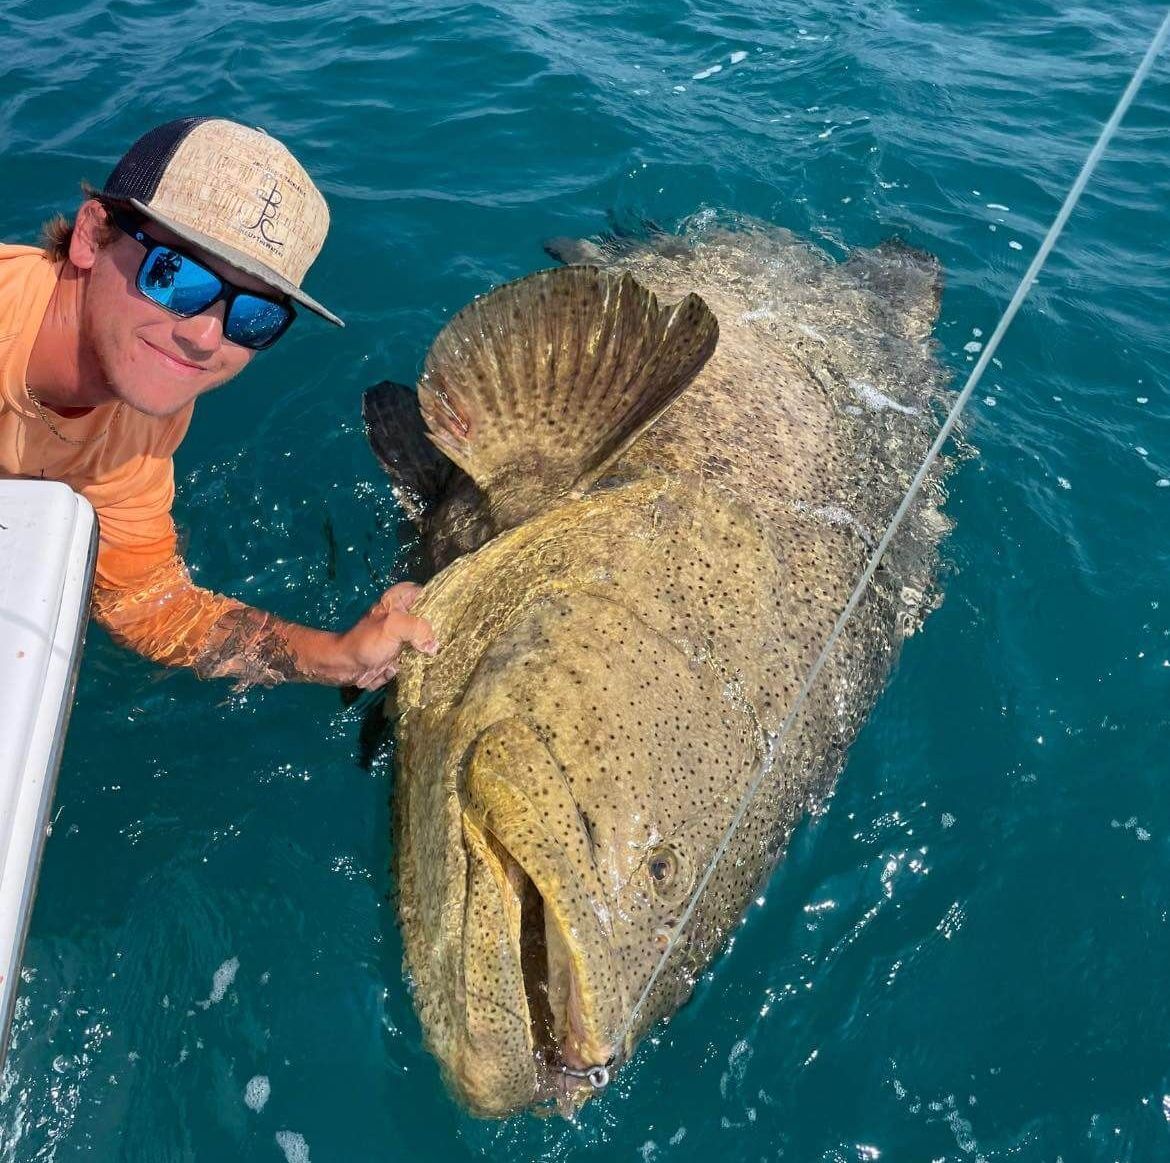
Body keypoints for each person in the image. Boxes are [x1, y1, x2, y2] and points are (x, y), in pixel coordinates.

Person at [0, 116, 435, 689]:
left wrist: (339, 656)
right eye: (177, 276)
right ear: (90, 234)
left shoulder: (143, 418)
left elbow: (150, 606)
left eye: (253, 316)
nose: (206, 338)